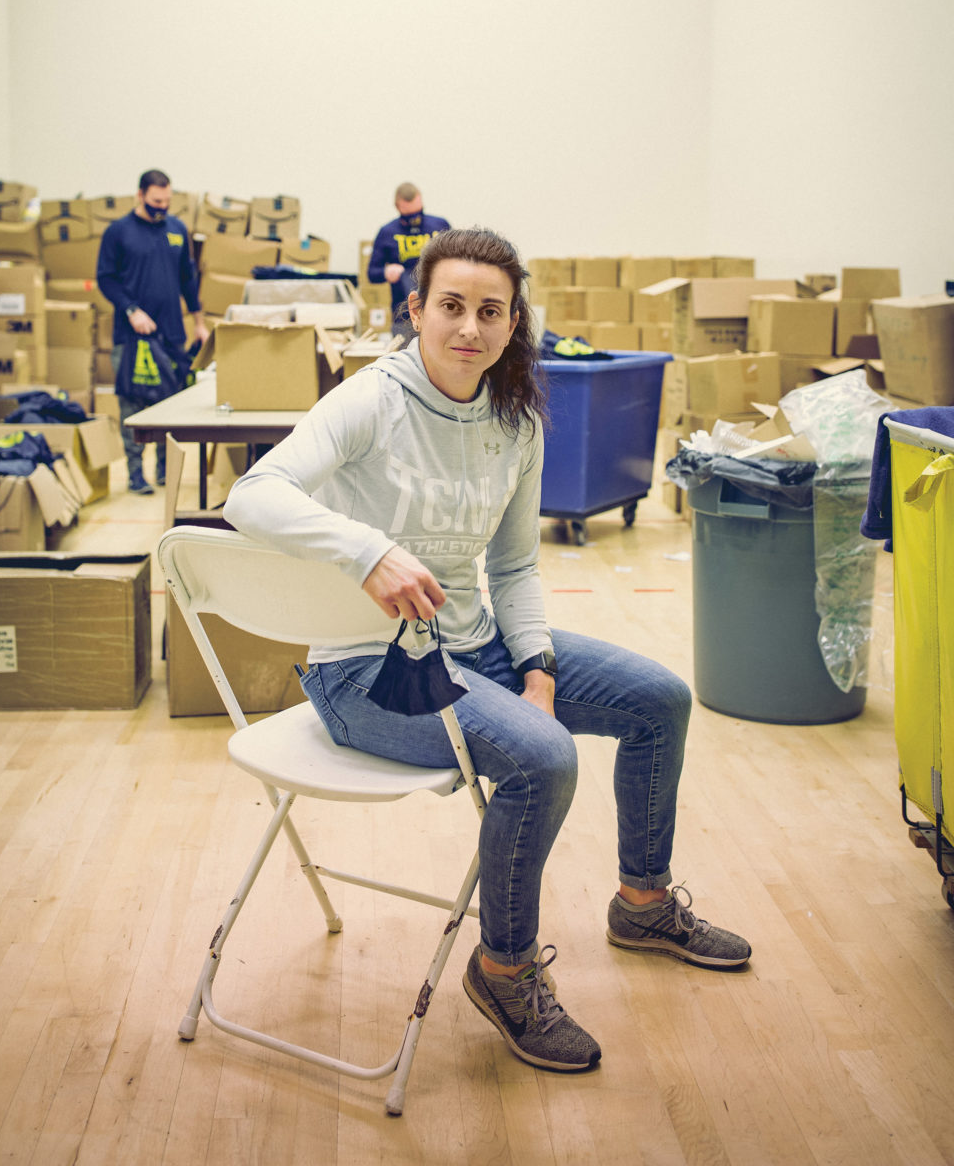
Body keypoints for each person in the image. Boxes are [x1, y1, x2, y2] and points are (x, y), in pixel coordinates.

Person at [223, 227, 751, 1075]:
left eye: (490, 311)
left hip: (475, 645)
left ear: (513, 323)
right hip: (364, 671)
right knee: (544, 759)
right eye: (452, 306)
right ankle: (503, 972)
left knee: (660, 700)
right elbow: (253, 495)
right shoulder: (371, 400)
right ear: (416, 311)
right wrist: (367, 552)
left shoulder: (517, 419)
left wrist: (536, 666)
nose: (469, 327)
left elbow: (513, 566)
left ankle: (643, 903)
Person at [97, 169, 208, 494]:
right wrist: (131, 310)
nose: (162, 207)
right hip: (132, 338)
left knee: (170, 407)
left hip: (171, 335)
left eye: (167, 201)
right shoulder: (118, 232)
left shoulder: (177, 229)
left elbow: (188, 279)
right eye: (156, 201)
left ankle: (164, 471)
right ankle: (135, 474)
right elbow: (106, 278)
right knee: (132, 406)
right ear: (140, 195)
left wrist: (199, 323)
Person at [366, 182, 450, 338]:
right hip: (403, 315)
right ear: (398, 207)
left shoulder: (439, 225)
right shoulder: (387, 232)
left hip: (441, 309)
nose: (415, 219)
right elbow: (372, 273)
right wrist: (386, 272)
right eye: (409, 215)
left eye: (418, 212)